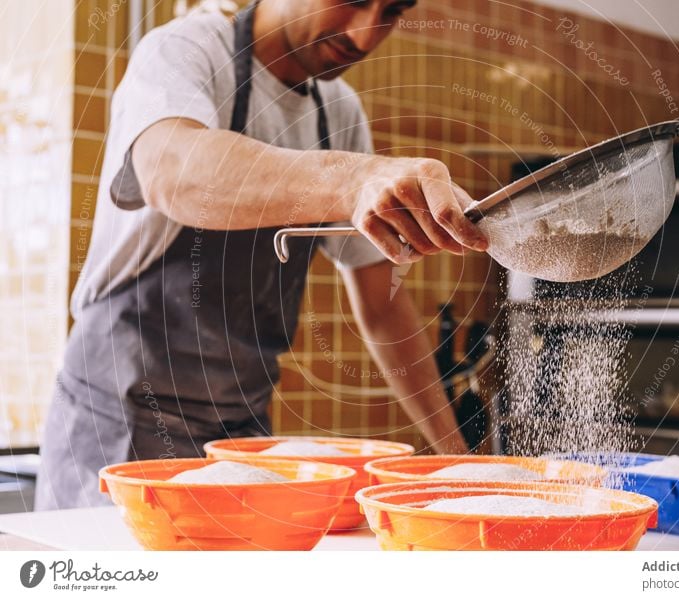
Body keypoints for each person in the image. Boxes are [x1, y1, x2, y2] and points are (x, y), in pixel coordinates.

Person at [34, 0, 489, 510]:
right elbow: (174, 173)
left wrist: (458, 464)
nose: (365, 36)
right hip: (119, 423)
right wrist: (350, 179)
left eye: (392, 11)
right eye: (356, 0)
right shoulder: (188, 49)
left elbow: (383, 308)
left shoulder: (337, 114)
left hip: (242, 434)